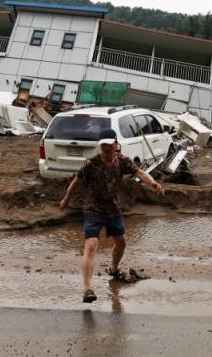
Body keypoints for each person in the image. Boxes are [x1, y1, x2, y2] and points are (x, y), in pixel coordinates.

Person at [58, 129, 165, 303]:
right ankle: (87, 289)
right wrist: (66, 198)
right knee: (91, 245)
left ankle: (113, 268)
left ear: (116, 145)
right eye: (104, 146)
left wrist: (153, 183)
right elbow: (76, 181)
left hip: (113, 209)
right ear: (101, 146)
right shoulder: (91, 164)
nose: (107, 149)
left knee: (121, 242)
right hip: (93, 209)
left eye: (110, 145)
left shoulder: (122, 161)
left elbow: (139, 172)